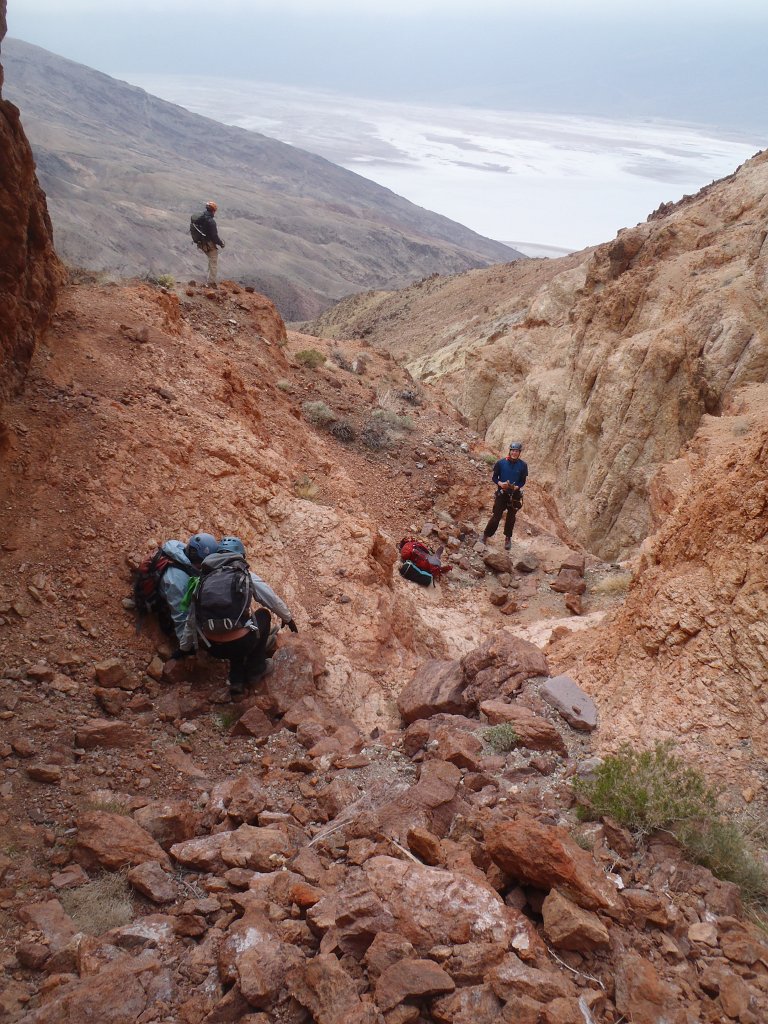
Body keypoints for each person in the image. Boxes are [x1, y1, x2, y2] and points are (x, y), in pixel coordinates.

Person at [180, 536, 298, 699]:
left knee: (236, 624)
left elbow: (191, 619)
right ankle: (256, 669)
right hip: (240, 644)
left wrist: (185, 649)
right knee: (261, 616)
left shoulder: (203, 579)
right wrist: (288, 618)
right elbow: (270, 599)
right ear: (240, 555)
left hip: (213, 647)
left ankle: (236, 682)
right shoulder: (244, 573)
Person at [160, 532, 219, 648]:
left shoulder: (181, 549)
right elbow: (181, 615)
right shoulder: (178, 580)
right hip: (166, 599)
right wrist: (186, 648)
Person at [482, 441, 528, 550]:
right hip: (502, 494)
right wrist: (500, 484)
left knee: (511, 518)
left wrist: (516, 487)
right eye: (513, 450)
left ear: (519, 452)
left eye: (516, 451)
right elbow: (494, 477)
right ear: (510, 451)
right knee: (496, 517)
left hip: (515, 495)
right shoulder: (501, 463)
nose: (514, 453)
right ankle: (485, 535)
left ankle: (508, 538)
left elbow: (522, 481)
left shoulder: (523, 465)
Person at [194, 200, 225, 287]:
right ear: (213, 211)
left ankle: (208, 280)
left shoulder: (201, 218)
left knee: (210, 260)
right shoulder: (211, 222)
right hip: (208, 244)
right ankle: (211, 283)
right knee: (213, 262)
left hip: (201, 243)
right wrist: (221, 243)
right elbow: (214, 236)